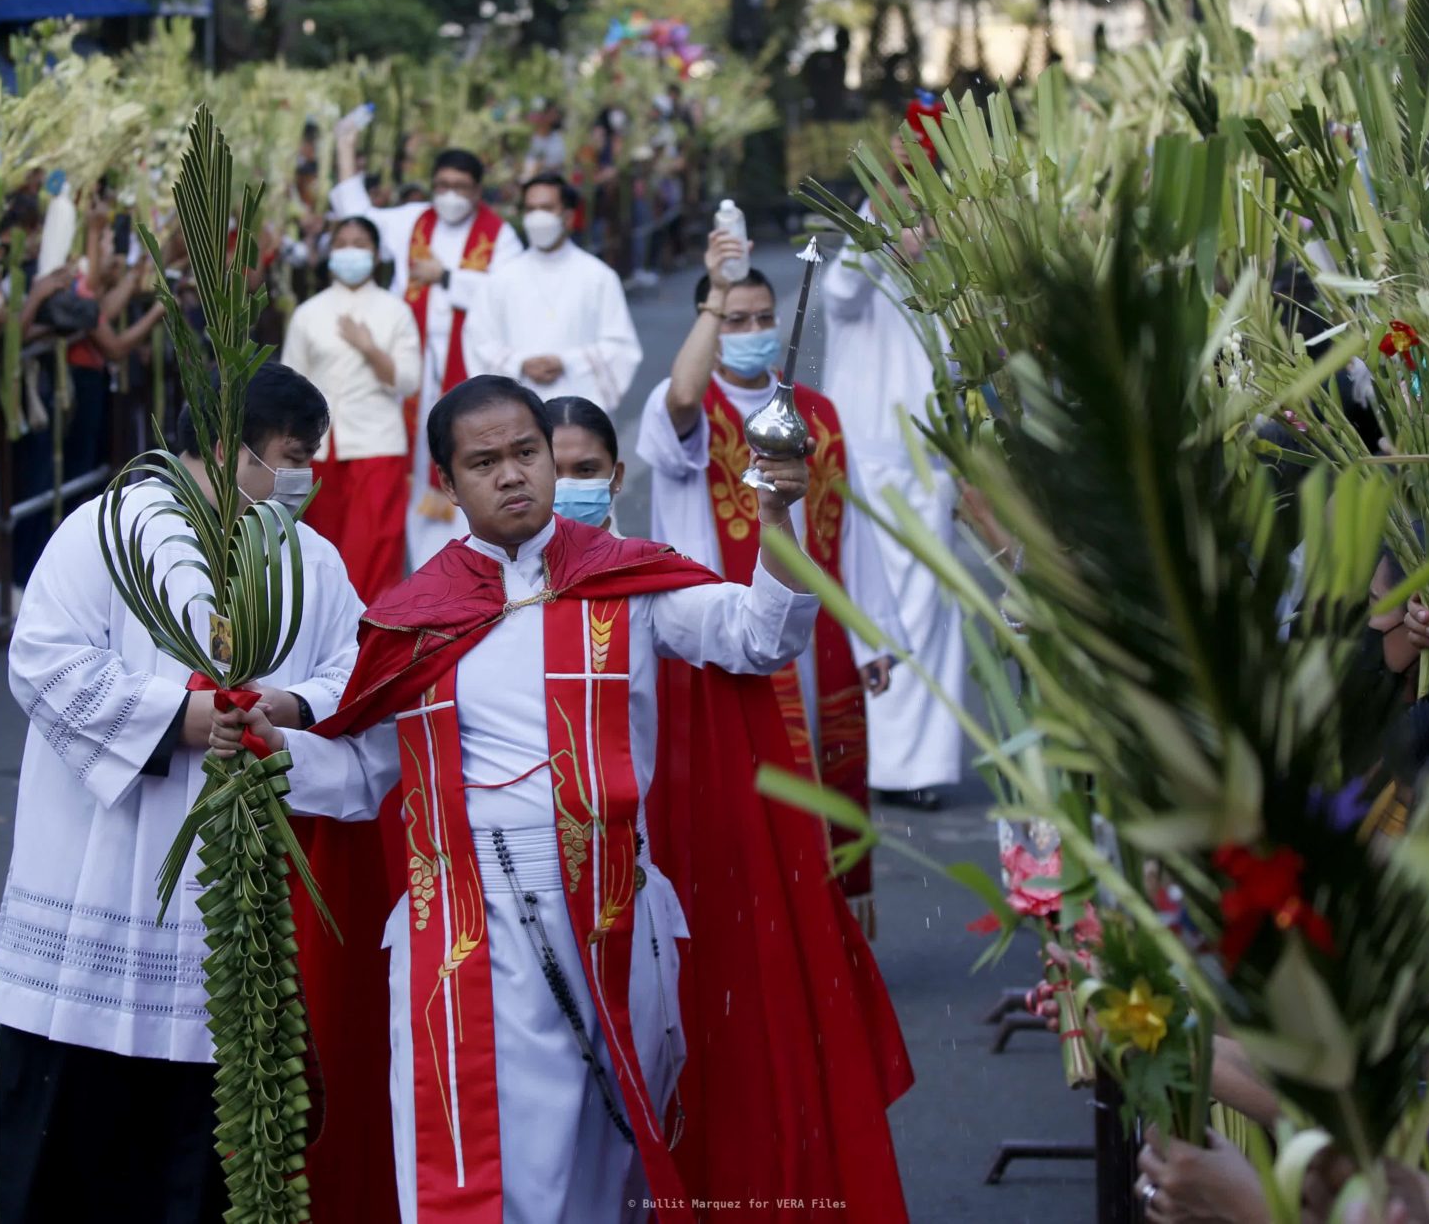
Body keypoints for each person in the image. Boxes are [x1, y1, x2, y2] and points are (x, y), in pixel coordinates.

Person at [217, 375, 912, 1224]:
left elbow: (764, 635)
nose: (511, 475)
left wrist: (774, 523)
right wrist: (269, 742)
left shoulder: (631, 583)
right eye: (484, 462)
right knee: (481, 1187)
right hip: (465, 937)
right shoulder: (412, 618)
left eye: (526, 453)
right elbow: (363, 775)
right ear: (445, 483)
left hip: (617, 924)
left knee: (608, 1180)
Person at [0, 364, 364, 1224]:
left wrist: (287, 708)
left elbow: (355, 674)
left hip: (232, 912)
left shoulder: (310, 558)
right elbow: (43, 662)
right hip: (97, 895)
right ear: (232, 450)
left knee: (202, 1169)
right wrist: (184, 718)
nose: (304, 476)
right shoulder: (107, 529)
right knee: (73, 1166)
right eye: (294, 455)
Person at [637, 229, 905, 917]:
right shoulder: (688, 413)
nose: (753, 331)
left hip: (807, 632)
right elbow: (683, 397)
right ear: (710, 323)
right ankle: (744, 909)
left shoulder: (815, 414)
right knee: (739, 781)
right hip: (716, 628)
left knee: (812, 764)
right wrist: (716, 284)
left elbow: (850, 526)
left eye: (763, 318)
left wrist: (870, 633)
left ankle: (820, 916)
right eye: (735, 319)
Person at [820, 96, 966, 809]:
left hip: (930, 461)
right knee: (869, 610)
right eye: (901, 183)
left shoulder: (958, 248)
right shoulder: (860, 242)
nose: (913, 199)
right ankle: (869, 755)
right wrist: (882, 226)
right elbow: (842, 295)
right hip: (867, 462)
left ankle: (919, 769)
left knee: (932, 610)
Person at [331, 121, 524, 567]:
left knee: (470, 452)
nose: (450, 194)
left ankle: (478, 557)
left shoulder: (501, 235)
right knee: (419, 466)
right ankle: (424, 567)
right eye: (443, 185)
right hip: (412, 361)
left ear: (478, 192)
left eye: (461, 187)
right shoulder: (413, 220)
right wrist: (345, 147)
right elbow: (355, 217)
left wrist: (448, 278)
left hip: (471, 360)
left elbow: (511, 293)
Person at [280, 215, 423, 600]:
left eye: (360, 243)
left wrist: (368, 346)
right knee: (322, 552)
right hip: (320, 450)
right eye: (342, 242)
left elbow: (408, 381)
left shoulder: (395, 311)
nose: (350, 250)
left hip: (376, 444)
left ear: (376, 254)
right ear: (329, 253)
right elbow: (291, 384)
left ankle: (373, 644)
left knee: (376, 550)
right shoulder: (309, 313)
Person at [465, 173, 643, 414]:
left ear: (568, 217)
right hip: (516, 413)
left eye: (546, 208)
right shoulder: (501, 278)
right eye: (530, 209)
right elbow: (479, 340)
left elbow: (621, 347)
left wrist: (566, 362)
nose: (537, 217)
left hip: (578, 412)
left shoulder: (598, 276)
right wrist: (520, 364)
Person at [544, 394, 625, 529]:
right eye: (550, 471)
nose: (566, 487)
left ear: (617, 476)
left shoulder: (647, 551)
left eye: (586, 470)